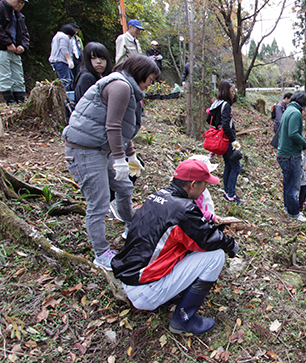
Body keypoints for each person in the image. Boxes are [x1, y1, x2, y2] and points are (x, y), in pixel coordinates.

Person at [111, 159, 239, 335]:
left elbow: (192, 235)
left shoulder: (158, 196)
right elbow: (209, 239)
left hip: (131, 277)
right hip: (145, 289)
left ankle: (176, 293)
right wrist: (231, 244)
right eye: (204, 185)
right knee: (216, 256)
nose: (205, 189)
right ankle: (183, 318)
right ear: (193, 184)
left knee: (193, 249)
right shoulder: (183, 208)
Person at [63, 54, 161, 271]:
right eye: (150, 79)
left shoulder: (129, 88)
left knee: (124, 187)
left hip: (99, 149)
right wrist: (120, 159)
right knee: (99, 202)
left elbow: (124, 127)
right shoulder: (120, 86)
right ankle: (101, 253)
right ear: (141, 72)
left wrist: (131, 155)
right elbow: (113, 126)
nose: (150, 84)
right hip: (85, 152)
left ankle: (131, 226)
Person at [277, 91, 306, 222]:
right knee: (293, 186)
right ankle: (294, 213)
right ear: (304, 104)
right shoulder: (295, 113)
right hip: (290, 155)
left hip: (284, 153)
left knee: (287, 183)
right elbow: (293, 134)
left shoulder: (288, 110)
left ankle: (287, 207)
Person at [206, 79, 242, 204]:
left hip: (221, 138)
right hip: (227, 140)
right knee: (236, 167)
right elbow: (226, 125)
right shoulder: (225, 105)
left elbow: (208, 119)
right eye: (232, 91)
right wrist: (233, 141)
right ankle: (231, 195)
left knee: (228, 165)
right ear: (226, 91)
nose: (233, 93)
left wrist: (218, 125)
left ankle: (227, 192)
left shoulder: (216, 103)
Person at [0, 0, 29, 105]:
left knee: (19, 77)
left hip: (15, 50)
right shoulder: (1, 9)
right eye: (18, 1)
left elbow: (25, 33)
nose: (20, 4)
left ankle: (21, 102)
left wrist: (23, 46)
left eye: (22, 2)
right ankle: (10, 102)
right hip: (2, 49)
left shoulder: (19, 15)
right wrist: (8, 43)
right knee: (5, 76)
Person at [49, 24, 77, 91]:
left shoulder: (57, 36)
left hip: (56, 60)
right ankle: (65, 97)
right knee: (66, 81)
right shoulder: (64, 37)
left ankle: (69, 95)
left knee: (70, 78)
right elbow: (63, 48)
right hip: (60, 61)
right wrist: (69, 59)